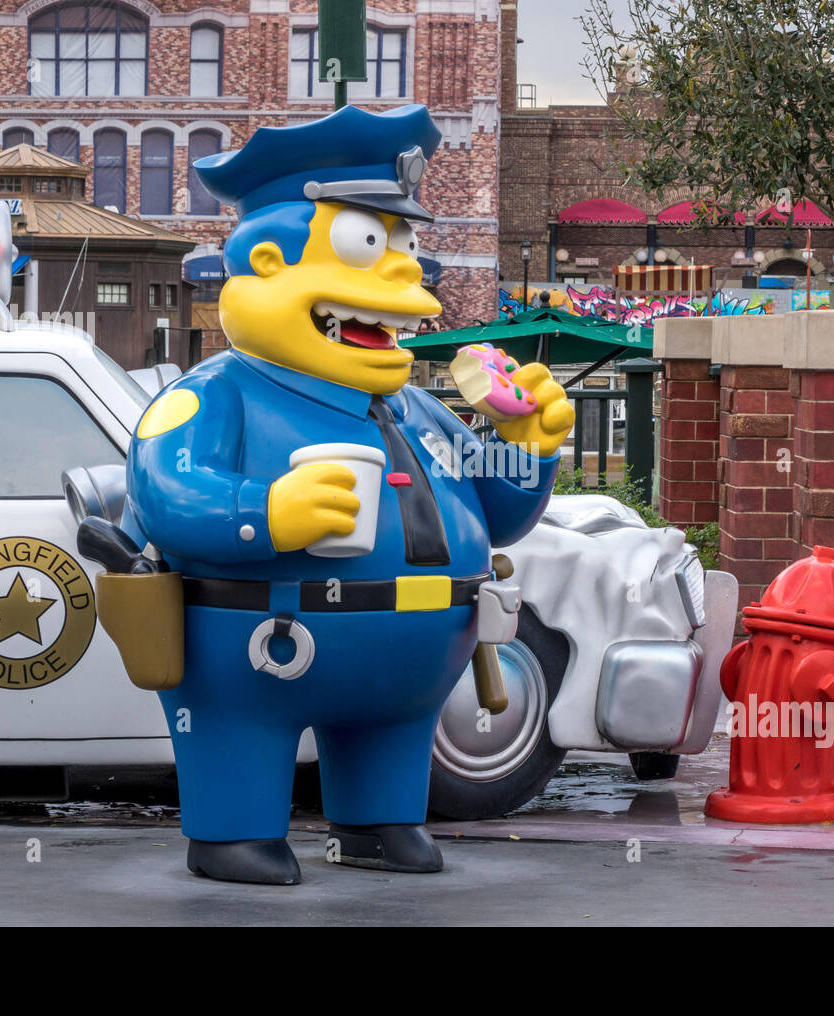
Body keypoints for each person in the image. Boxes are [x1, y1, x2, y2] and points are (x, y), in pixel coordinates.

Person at [116, 105, 575, 884]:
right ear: (264, 263)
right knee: (237, 728)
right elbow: (168, 491)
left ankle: (377, 821)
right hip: (262, 648)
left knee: (389, 734)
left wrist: (530, 449)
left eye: (404, 246)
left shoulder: (417, 407)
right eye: (367, 245)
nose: (405, 273)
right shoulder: (212, 397)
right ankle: (234, 830)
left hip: (410, 668)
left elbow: (496, 513)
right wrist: (267, 516)